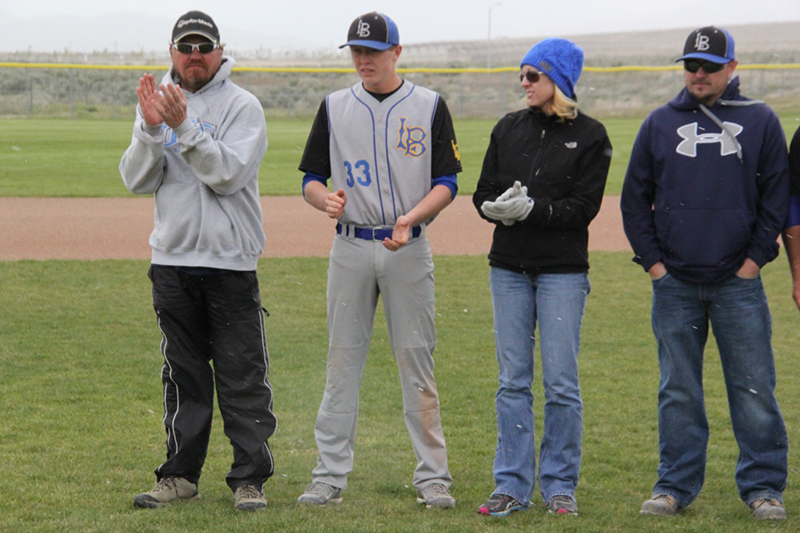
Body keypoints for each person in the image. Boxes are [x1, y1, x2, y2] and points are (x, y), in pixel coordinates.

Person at [620, 26, 789, 521]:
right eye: (691, 65)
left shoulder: (760, 120)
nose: (698, 74)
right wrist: (655, 265)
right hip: (674, 285)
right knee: (678, 389)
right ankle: (674, 486)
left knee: (754, 387)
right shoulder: (658, 122)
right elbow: (634, 200)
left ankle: (763, 488)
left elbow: (775, 200)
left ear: (732, 69)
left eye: (709, 66)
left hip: (738, 284)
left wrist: (752, 263)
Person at [295, 12, 461, 509]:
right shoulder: (334, 106)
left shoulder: (429, 105)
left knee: (416, 360)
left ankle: (433, 476)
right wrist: (322, 200)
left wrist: (410, 218)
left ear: (397, 52)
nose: (363, 59)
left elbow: (448, 181)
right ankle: (328, 475)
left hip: (408, 247)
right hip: (349, 246)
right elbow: (311, 178)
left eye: (373, 50)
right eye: (356, 51)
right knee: (341, 362)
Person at [119, 10, 276, 512]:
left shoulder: (242, 106)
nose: (194, 56)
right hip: (172, 260)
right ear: (172, 53)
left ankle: (249, 479)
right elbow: (136, 180)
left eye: (203, 47)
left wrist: (184, 126)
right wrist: (148, 128)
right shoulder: (157, 104)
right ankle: (180, 476)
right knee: (184, 374)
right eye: (185, 48)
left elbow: (227, 174)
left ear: (220, 50)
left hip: (230, 262)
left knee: (241, 375)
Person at [472, 38, 612, 518]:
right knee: (512, 382)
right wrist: (493, 208)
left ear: (559, 80)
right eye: (522, 75)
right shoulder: (507, 127)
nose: (524, 83)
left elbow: (583, 209)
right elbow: (484, 191)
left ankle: (559, 485)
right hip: (508, 268)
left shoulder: (592, 136)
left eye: (533, 75)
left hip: (563, 273)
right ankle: (510, 485)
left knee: (560, 385)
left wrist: (534, 210)